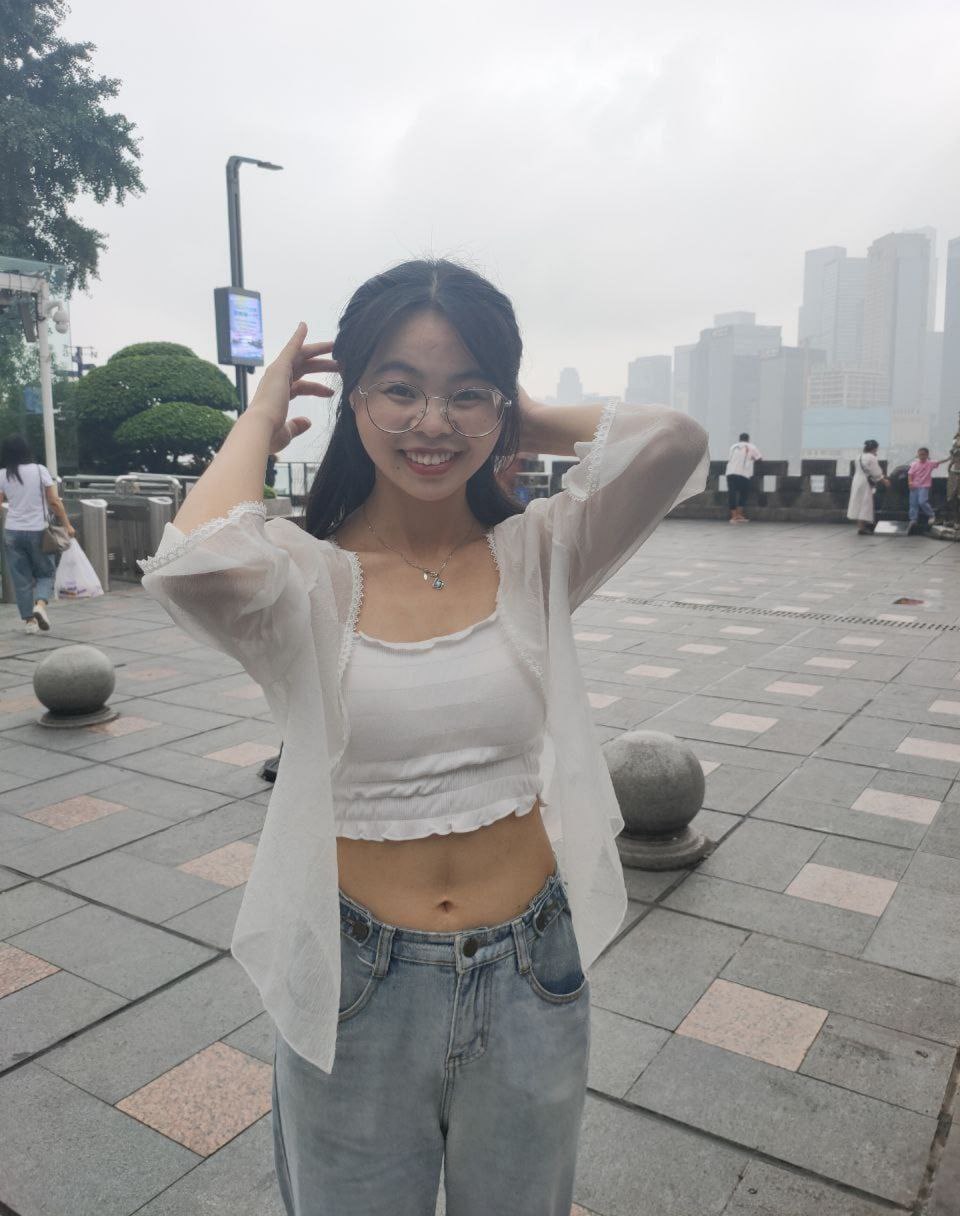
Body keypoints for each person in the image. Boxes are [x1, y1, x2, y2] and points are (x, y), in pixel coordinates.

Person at [136, 260, 710, 1216]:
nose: (431, 423)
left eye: (465, 393)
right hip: (357, 981)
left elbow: (677, 441)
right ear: (354, 398)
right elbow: (192, 565)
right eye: (398, 388)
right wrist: (263, 411)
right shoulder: (304, 577)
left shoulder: (539, 552)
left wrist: (524, 415)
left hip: (531, 967)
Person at [0, 434, 75, 633]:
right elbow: (54, 501)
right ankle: (40, 605)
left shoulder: (3, 474)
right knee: (46, 572)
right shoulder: (39, 470)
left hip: (12, 531)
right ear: (26, 450)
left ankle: (30, 622)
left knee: (21, 578)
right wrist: (67, 525)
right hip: (38, 531)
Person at [847, 438, 890, 535]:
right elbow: (876, 472)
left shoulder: (859, 456)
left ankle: (861, 525)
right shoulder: (872, 457)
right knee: (865, 503)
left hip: (857, 480)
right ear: (874, 448)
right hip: (865, 482)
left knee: (858, 502)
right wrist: (884, 480)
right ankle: (863, 527)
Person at [907, 446, 947, 534]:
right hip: (914, 486)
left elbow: (940, 461)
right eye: (920, 454)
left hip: (924, 486)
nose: (921, 456)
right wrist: (910, 483)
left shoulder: (930, 463)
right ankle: (913, 519)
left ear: (927, 455)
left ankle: (931, 515)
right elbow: (910, 474)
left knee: (922, 501)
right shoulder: (914, 464)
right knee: (913, 503)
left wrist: (951, 457)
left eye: (923, 454)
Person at [724, 431, 763, 522]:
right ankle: (739, 514)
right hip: (743, 473)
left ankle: (734, 516)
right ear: (748, 439)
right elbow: (759, 458)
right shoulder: (751, 447)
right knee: (743, 494)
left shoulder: (733, 447)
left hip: (730, 472)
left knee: (732, 494)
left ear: (739, 439)